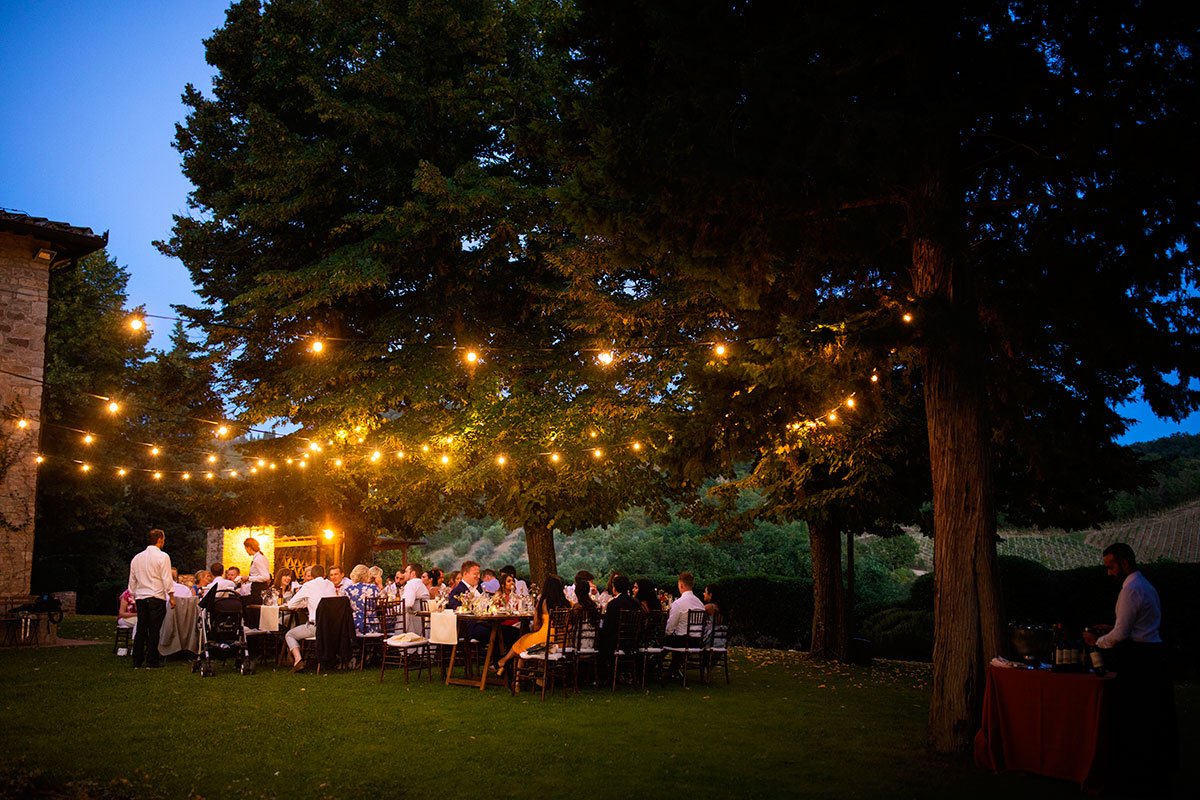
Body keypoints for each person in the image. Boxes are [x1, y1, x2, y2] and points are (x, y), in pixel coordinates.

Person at [1083, 542, 1178, 787]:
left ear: (1124, 564)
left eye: (1111, 567)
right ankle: (1156, 769)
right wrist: (1112, 629)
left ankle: (1136, 773)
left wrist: (1099, 640)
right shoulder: (1145, 585)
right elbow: (1137, 624)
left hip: (1139, 660)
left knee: (1136, 716)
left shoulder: (1131, 590)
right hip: (1153, 655)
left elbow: (1122, 634)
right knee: (1153, 714)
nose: (1109, 572)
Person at [495, 576, 570, 677]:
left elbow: (536, 626)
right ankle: (506, 664)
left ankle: (509, 668)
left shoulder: (543, 603)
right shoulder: (567, 604)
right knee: (524, 640)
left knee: (521, 641)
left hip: (545, 641)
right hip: (563, 642)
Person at [126, 529, 176, 669]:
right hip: (156, 596)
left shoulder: (137, 558)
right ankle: (152, 660)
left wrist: (135, 595)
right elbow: (166, 578)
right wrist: (171, 596)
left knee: (141, 628)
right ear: (160, 540)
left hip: (141, 597)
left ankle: (137, 660)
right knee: (154, 629)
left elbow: (132, 581)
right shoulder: (162, 557)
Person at [284, 564, 337, 672]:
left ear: (312, 576)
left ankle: (298, 660)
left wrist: (305, 604)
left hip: (316, 628)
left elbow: (291, 604)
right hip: (332, 628)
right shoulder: (330, 585)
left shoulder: (308, 586)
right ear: (324, 574)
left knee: (289, 635)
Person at [664, 572, 705, 646]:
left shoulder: (678, 603)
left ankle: (649, 656)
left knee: (662, 641)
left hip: (682, 641)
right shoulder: (700, 604)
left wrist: (665, 633)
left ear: (681, 585)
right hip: (697, 642)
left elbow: (670, 628)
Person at [343, 564, 383, 635]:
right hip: (372, 624)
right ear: (366, 575)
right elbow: (382, 601)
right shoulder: (373, 588)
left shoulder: (347, 590)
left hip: (354, 625)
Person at [400, 562, 431, 634]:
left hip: (414, 625)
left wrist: (396, 608)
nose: (404, 574)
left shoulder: (411, 584)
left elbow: (408, 603)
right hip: (423, 624)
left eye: (406, 571)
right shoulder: (421, 585)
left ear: (413, 573)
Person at [240, 537, 271, 604]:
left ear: (249, 548)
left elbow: (265, 576)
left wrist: (249, 578)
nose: (246, 550)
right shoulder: (261, 557)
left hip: (258, 589)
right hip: (258, 588)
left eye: (245, 548)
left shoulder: (258, 559)